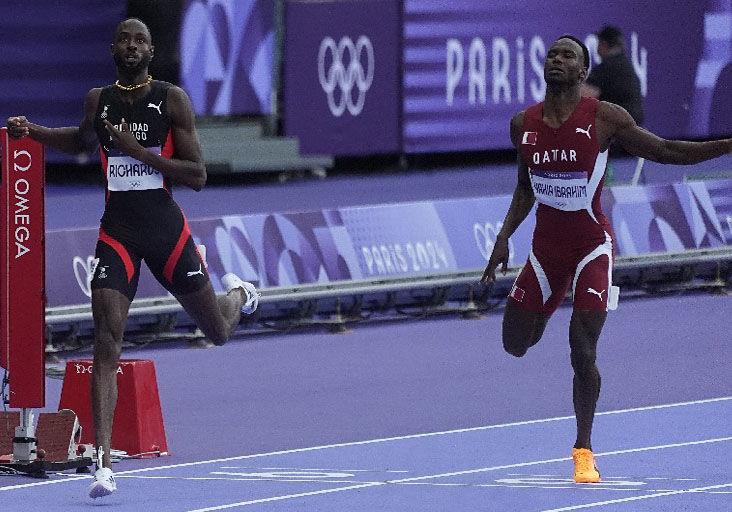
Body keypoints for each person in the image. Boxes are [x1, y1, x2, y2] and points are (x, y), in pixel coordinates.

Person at [6, 18, 259, 498]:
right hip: (117, 232)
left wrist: (136, 150)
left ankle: (241, 293)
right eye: (125, 38)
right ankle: (103, 466)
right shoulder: (97, 101)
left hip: (165, 231)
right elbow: (80, 141)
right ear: (113, 48)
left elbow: (198, 175)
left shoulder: (171, 99)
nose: (132, 45)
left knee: (218, 331)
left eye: (141, 39)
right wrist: (33, 132)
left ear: (151, 50)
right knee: (106, 341)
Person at [481, 34, 731, 484]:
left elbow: (669, 151)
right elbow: (525, 186)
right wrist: (503, 238)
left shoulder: (605, 119)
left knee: (582, 351)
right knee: (516, 344)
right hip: (544, 252)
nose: (557, 59)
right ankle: (548, 302)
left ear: (583, 72)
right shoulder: (523, 124)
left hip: (592, 249)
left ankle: (583, 449)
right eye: (552, 54)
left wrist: (728, 145)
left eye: (568, 56)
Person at [583, 26, 644, 126]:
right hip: (634, 126)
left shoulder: (606, 67)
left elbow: (584, 95)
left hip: (616, 127)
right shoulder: (627, 66)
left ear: (604, 45)